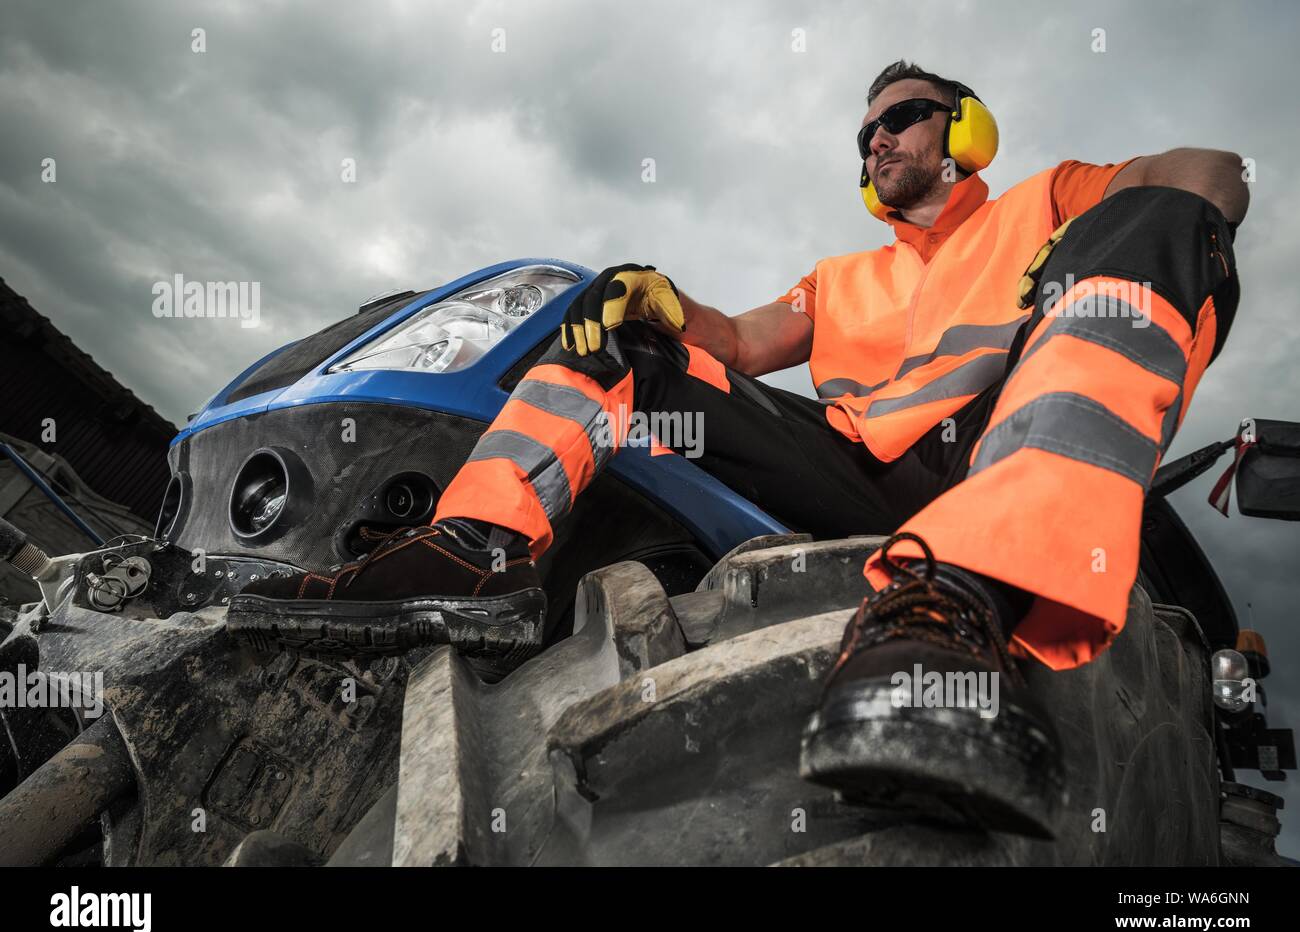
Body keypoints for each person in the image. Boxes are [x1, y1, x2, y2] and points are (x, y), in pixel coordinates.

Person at [228, 60, 1247, 836]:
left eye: (899, 117)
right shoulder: (839, 278)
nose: (875, 142)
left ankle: (962, 606)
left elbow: (1209, 177)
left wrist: (1100, 227)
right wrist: (660, 294)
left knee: (1163, 224)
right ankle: (475, 551)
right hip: (854, 474)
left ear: (965, 130)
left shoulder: (1054, 199)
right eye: (863, 133)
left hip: (989, 468)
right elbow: (743, 343)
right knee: (626, 341)